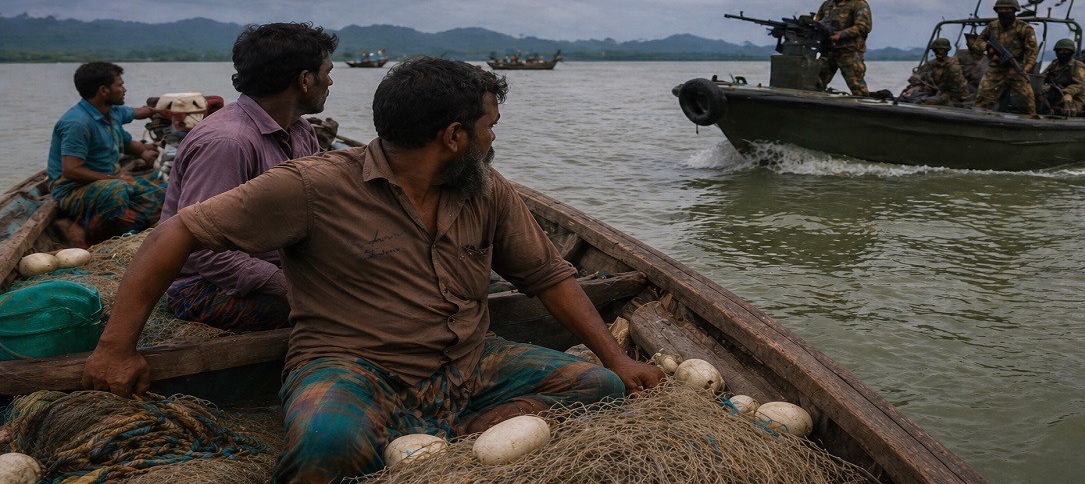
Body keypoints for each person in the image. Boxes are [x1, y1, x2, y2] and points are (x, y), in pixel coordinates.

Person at [82, 56, 665, 483]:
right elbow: (176, 232)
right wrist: (116, 347)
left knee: (599, 386)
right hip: (354, 365)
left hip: (467, 363)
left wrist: (617, 359)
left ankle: (454, 432)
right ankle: (422, 435)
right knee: (323, 447)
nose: (492, 138)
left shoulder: (486, 190)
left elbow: (548, 277)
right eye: (488, 126)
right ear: (455, 136)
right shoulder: (312, 187)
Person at [160, 22, 338, 333]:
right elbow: (203, 251)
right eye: (327, 72)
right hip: (200, 285)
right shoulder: (228, 143)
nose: (331, 81)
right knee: (338, 313)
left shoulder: (300, 130)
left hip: (275, 265)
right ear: (305, 80)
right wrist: (290, 285)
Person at [47, 61, 165, 248]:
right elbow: (71, 170)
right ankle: (94, 234)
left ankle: (124, 225)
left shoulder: (113, 112)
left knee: (163, 190)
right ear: (104, 90)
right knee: (117, 190)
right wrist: (114, 177)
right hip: (73, 189)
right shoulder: (78, 123)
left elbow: (134, 121)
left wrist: (145, 150)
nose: (124, 89)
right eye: (120, 85)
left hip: (109, 180)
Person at [971, 0, 1039, 115]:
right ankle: (978, 122)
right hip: (996, 69)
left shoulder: (1024, 28)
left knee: (1028, 102)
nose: (1003, 13)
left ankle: (1031, 126)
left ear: (1014, 11)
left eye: (1007, 10)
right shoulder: (992, 26)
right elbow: (978, 43)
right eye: (1000, 11)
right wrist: (988, 48)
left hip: (1016, 69)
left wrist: (1026, 69)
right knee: (981, 101)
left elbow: (1032, 51)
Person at [814, 0, 872, 96]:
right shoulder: (827, 5)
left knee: (858, 89)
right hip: (828, 51)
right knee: (814, 85)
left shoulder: (858, 4)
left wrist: (840, 35)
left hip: (849, 53)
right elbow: (816, 24)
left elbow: (863, 26)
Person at [897, 38, 969, 105]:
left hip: (953, 96)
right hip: (933, 92)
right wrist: (915, 79)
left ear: (946, 50)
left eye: (941, 49)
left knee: (930, 101)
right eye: (936, 49)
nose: (939, 52)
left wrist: (940, 94)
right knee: (907, 96)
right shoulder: (931, 64)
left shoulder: (953, 67)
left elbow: (956, 89)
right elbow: (920, 74)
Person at [1040, 39, 1085, 116]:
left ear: (1072, 52)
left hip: (1073, 97)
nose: (1062, 53)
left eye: (1066, 51)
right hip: (1053, 95)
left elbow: (1079, 84)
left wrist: (1066, 92)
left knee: (1062, 109)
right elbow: (1043, 76)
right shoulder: (1054, 64)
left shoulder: (1077, 66)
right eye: (1060, 50)